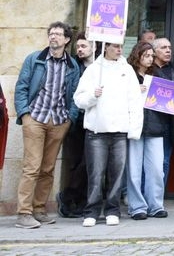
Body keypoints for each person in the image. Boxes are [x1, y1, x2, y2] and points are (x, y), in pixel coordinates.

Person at [14, 21, 81, 229]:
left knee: (48, 168)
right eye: (51, 34)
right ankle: (24, 213)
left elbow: (76, 96)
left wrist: (70, 118)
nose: (53, 37)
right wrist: (25, 114)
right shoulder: (35, 59)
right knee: (31, 167)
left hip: (59, 121)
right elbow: (21, 87)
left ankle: (39, 209)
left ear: (66, 40)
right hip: (35, 118)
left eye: (58, 34)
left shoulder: (72, 65)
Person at [74, 42, 143, 227]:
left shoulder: (127, 70)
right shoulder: (93, 70)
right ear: (105, 47)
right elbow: (78, 99)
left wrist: (134, 128)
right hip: (97, 130)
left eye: (121, 46)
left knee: (116, 174)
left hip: (120, 130)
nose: (119, 49)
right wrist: (92, 96)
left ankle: (113, 210)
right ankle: (92, 211)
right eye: (115, 46)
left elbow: (135, 100)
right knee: (95, 174)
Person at [126, 41, 168, 220]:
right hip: (135, 126)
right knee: (134, 169)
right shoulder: (128, 75)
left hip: (155, 126)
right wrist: (135, 91)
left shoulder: (157, 74)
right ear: (138, 55)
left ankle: (156, 205)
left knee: (157, 169)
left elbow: (167, 100)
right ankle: (137, 206)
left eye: (152, 55)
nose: (150, 59)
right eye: (147, 55)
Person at [57, 31, 94, 219]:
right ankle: (71, 197)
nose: (79, 50)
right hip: (75, 119)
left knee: (88, 162)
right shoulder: (72, 66)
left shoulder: (99, 67)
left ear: (93, 46)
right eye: (78, 46)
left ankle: (74, 197)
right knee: (76, 162)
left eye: (83, 46)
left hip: (93, 120)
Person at [152, 38, 174, 188]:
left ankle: (158, 198)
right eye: (163, 48)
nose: (168, 51)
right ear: (154, 51)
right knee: (147, 162)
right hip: (149, 123)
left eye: (170, 48)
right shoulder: (147, 69)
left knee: (164, 161)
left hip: (169, 123)